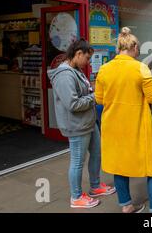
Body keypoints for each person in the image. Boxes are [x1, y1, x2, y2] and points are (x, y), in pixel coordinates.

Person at [95, 27, 152, 213]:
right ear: (132, 47)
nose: (139, 52)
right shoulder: (140, 67)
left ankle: (126, 206)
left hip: (113, 127)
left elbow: (99, 99)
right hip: (138, 126)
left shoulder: (104, 69)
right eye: (138, 49)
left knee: (120, 167)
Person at [48, 39, 115, 209]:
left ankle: (95, 186)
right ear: (78, 54)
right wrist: (95, 97)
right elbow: (72, 104)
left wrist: (92, 91)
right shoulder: (64, 75)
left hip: (88, 122)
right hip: (77, 125)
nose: (88, 63)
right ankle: (76, 197)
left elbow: (82, 93)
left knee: (97, 153)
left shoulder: (75, 70)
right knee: (78, 161)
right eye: (87, 58)